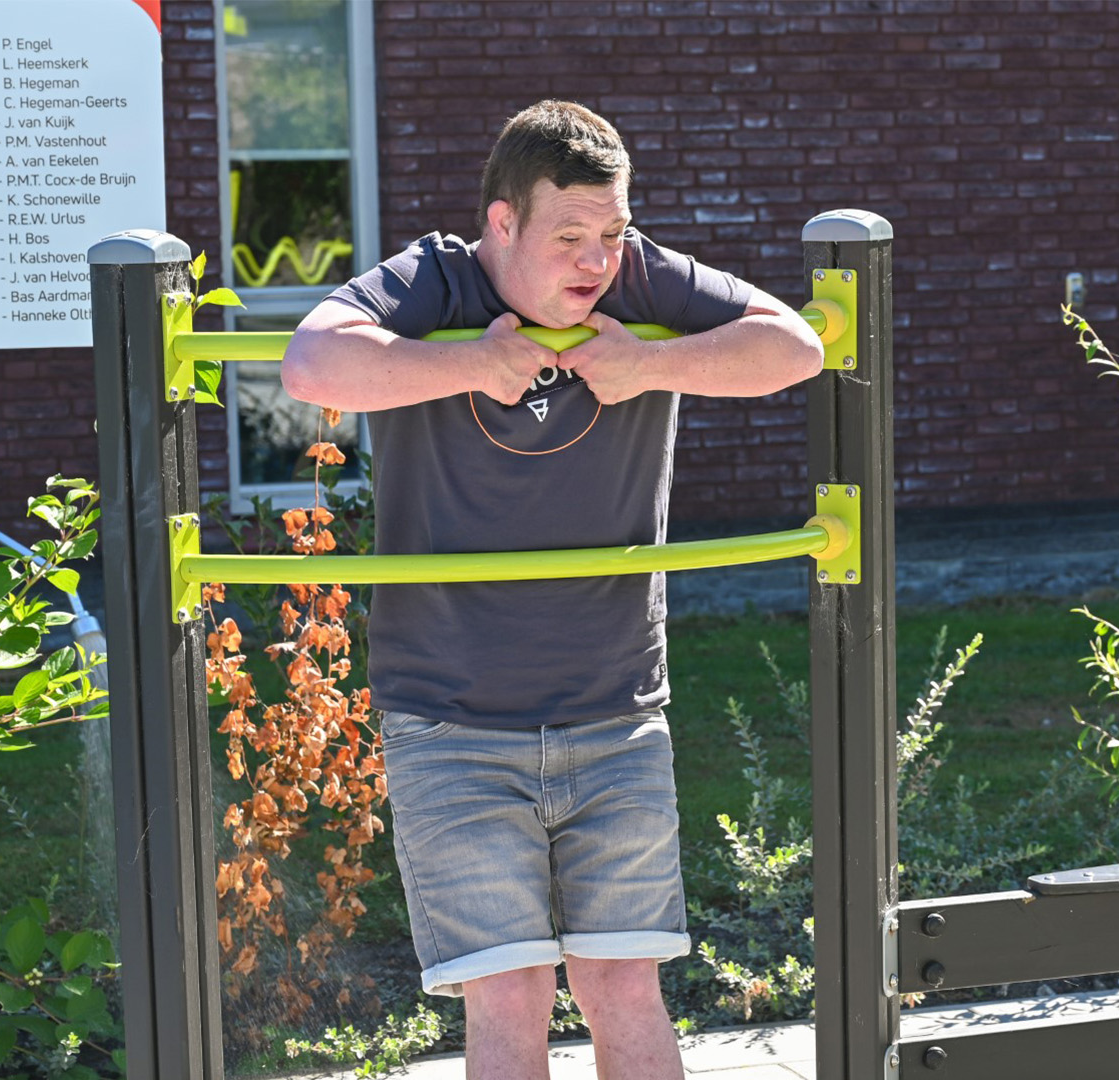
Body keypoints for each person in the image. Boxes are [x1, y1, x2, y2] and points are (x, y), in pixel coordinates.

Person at [282, 100, 822, 1079]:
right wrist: (471, 360)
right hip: (450, 722)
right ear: (501, 224)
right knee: (510, 996)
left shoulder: (639, 277)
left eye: (611, 232)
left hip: (615, 713)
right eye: (569, 234)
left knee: (624, 985)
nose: (596, 260)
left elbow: (796, 348)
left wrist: (649, 362)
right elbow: (311, 361)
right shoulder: (433, 281)